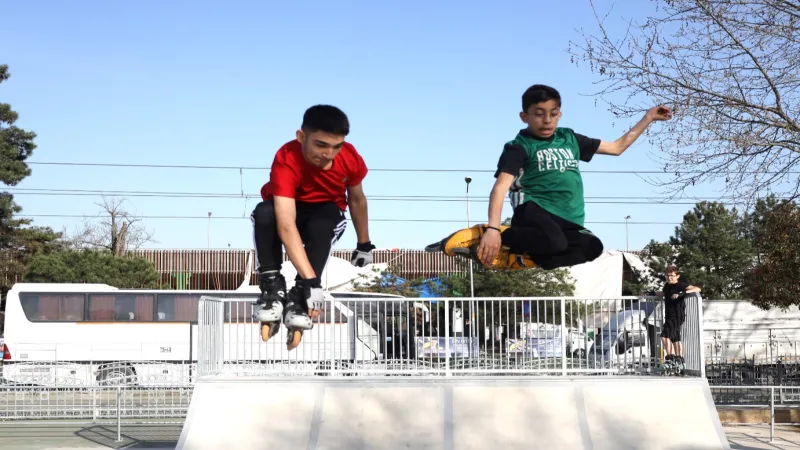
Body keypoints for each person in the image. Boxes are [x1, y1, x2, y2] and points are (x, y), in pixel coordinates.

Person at [475, 84, 673, 270]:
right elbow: (500, 187)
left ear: (560, 114)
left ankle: (521, 257)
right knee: (555, 241)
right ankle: (499, 235)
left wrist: (648, 118)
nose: (547, 121)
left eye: (553, 114)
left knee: (592, 247)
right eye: (538, 114)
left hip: (567, 217)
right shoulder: (519, 147)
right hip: (533, 210)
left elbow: (616, 147)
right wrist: (493, 227)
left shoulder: (569, 139)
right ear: (524, 116)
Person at [251, 104, 375, 341]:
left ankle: (299, 295)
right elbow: (286, 224)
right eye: (321, 145)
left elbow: (357, 200)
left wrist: (364, 244)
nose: (329, 155)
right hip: (288, 210)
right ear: (301, 137)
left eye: (336, 146)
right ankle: (271, 287)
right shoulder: (287, 157)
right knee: (264, 212)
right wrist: (313, 282)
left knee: (323, 222)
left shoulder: (350, 158)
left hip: (325, 213)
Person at [658, 265, 701, 369]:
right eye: (668, 276)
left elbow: (697, 289)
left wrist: (682, 293)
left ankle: (670, 359)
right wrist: (650, 293)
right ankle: (679, 359)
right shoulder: (667, 286)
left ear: (677, 276)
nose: (669, 278)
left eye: (672, 276)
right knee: (675, 338)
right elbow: (664, 293)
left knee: (664, 335)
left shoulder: (680, 285)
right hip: (669, 315)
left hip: (677, 315)